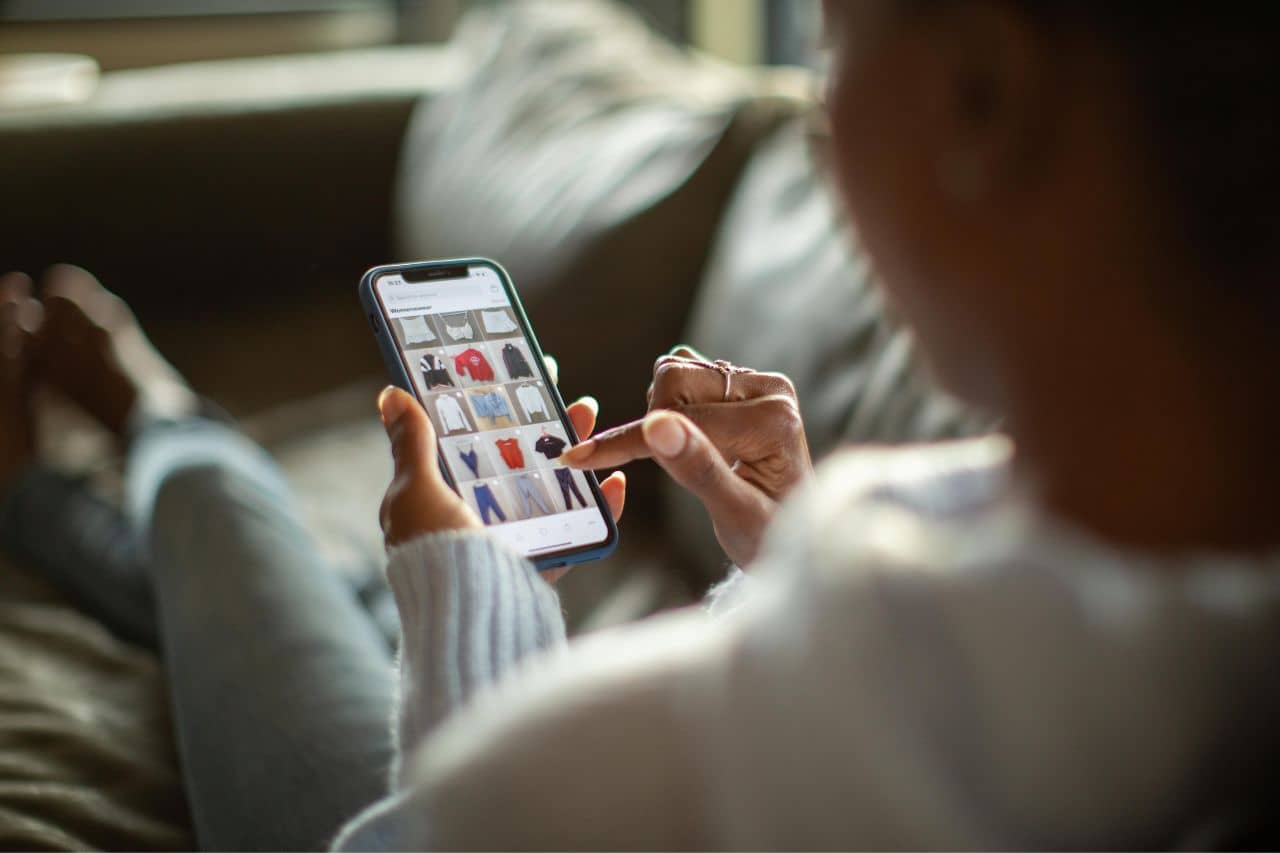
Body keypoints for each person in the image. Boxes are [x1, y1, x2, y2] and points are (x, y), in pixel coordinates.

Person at [4, 0, 1280, 848]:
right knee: (314, 594)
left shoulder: (667, 755)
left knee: (248, 535)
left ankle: (151, 429)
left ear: (983, 95)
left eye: (831, 44)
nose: (819, 120)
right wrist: (778, 564)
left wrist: (481, 592)